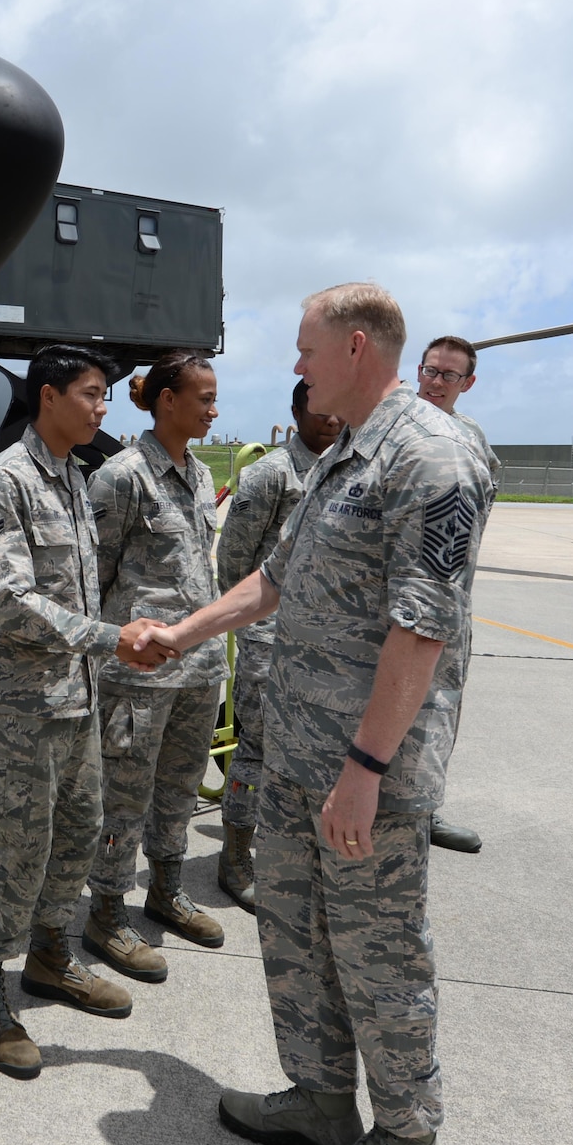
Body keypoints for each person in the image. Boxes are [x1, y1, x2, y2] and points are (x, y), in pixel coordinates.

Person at [138, 283, 492, 1145]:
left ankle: (410, 1136)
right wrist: (182, 633)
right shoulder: (344, 455)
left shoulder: (431, 458)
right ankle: (325, 1099)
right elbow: (271, 579)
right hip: (297, 755)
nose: (294, 366)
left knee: (378, 956)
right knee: (298, 940)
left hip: (365, 774)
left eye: (305, 348)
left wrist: (366, 773)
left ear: (359, 345)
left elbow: (422, 632)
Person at [0, 344, 176, 1078]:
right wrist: (115, 640)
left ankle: (50, 954)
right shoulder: (4, 481)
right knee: (13, 844)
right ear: (48, 396)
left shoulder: (76, 479)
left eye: (106, 397)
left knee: (77, 832)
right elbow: (14, 603)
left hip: (75, 699)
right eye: (91, 394)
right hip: (19, 708)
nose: (102, 407)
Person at [82, 349, 229, 984]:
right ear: (168, 400)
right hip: (139, 678)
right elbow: (94, 581)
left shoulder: (198, 475)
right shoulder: (121, 477)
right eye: (203, 398)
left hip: (197, 673)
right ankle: (107, 912)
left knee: (179, 789)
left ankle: (165, 890)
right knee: (124, 797)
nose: (214, 410)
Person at [211, 381, 342, 910]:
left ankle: (294, 852)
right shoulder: (270, 474)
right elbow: (234, 561)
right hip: (271, 634)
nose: (330, 416)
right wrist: (251, 625)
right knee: (259, 747)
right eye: (318, 405)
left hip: (329, 636)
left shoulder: (350, 470)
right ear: (295, 411)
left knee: (318, 748)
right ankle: (237, 856)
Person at [413, 335, 493, 854]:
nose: (436, 382)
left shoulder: (472, 439)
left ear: (468, 383)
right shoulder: (386, 429)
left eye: (448, 376)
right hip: (390, 608)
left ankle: (424, 809)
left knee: (439, 710)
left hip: (450, 604)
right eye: (429, 370)